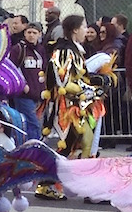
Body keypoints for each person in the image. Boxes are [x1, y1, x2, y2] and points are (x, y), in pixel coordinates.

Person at [37, 14, 106, 199]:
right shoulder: (65, 51)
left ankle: (54, 184)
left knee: (79, 144)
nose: (86, 30)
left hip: (75, 107)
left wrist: (94, 84)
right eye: (84, 27)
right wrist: (92, 90)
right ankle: (82, 189)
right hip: (66, 110)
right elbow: (63, 81)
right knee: (79, 143)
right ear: (75, 29)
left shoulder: (74, 50)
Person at [10, 23, 47, 144]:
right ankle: (33, 151)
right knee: (32, 124)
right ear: (25, 33)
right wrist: (23, 86)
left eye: (34, 33)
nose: (31, 35)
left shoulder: (41, 50)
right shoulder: (18, 49)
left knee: (37, 124)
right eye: (29, 32)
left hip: (39, 94)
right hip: (23, 95)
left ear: (39, 34)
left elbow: (44, 69)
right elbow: (12, 69)